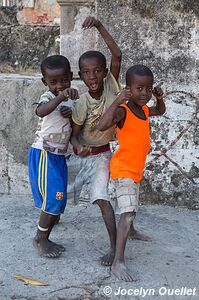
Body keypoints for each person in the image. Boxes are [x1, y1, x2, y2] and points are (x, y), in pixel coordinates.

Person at [97, 64, 166, 281]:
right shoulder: (123, 110)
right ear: (128, 88)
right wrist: (118, 100)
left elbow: (160, 111)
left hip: (135, 170)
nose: (144, 93)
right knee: (127, 213)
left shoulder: (144, 110)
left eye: (148, 88)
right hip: (123, 170)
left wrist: (160, 98)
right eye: (139, 88)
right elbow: (101, 125)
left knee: (132, 204)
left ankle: (132, 232)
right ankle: (118, 262)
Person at [70, 16, 122, 266]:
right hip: (91, 154)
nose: (93, 76)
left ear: (105, 72)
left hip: (110, 151)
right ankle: (48, 226)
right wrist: (77, 145)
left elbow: (117, 53)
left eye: (97, 71)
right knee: (67, 193)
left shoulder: (112, 86)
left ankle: (115, 246)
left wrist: (101, 26)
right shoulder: (81, 104)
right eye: (87, 72)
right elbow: (74, 132)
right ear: (80, 75)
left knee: (107, 196)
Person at [28, 55, 79, 258]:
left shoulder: (73, 98)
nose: (59, 85)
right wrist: (60, 97)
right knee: (54, 195)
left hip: (59, 155)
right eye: (53, 82)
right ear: (45, 82)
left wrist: (71, 112)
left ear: (71, 77)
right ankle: (41, 238)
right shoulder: (48, 97)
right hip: (44, 153)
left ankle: (53, 218)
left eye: (64, 80)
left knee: (58, 195)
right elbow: (41, 111)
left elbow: (75, 125)